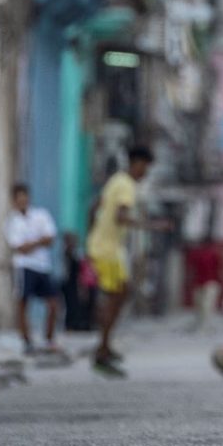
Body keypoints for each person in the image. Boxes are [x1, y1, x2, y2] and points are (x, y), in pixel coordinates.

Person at [87, 146, 154, 377]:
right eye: (145, 168)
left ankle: (104, 346)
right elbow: (120, 216)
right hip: (108, 250)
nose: (145, 173)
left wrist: (92, 235)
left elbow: (94, 207)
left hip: (106, 247)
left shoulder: (115, 180)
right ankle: (102, 349)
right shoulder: (126, 185)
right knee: (115, 297)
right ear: (137, 164)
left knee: (120, 294)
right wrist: (150, 226)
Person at [6, 182, 62, 357]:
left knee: (53, 303)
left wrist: (32, 244)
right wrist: (39, 241)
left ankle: (49, 339)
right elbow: (19, 247)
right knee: (23, 303)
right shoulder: (11, 222)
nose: (23, 200)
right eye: (19, 197)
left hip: (42, 266)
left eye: (25, 196)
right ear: (14, 200)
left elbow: (50, 238)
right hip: (23, 267)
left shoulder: (40, 215)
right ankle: (26, 340)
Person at [187, 230, 223, 333]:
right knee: (205, 306)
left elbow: (191, 269)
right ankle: (204, 326)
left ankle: (203, 325)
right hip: (209, 282)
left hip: (203, 282)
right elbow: (219, 268)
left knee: (202, 306)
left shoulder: (197, 253)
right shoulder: (212, 254)